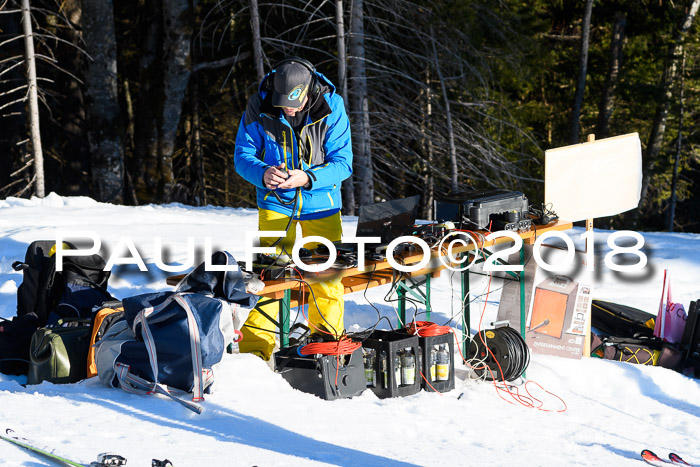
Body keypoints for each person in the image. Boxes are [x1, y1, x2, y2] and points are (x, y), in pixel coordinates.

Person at [234, 57, 353, 360]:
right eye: (283, 104)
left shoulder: (332, 107)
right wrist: (262, 173)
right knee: (268, 278)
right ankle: (254, 352)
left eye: (294, 104)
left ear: (308, 92)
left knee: (325, 278)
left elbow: (343, 163)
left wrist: (309, 177)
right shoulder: (258, 105)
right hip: (275, 204)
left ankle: (327, 348)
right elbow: (243, 155)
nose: (288, 109)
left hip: (321, 206)